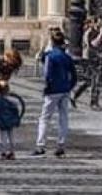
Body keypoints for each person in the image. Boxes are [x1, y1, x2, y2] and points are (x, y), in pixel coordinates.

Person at [33, 29, 77, 157]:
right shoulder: (67, 57)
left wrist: (47, 87)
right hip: (64, 90)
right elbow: (74, 75)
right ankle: (61, 145)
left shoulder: (50, 56)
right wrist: (70, 87)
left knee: (44, 118)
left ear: (52, 42)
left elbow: (47, 74)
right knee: (63, 118)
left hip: (53, 91)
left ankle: (40, 145)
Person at [72, 18, 102, 109]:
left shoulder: (95, 32)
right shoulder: (90, 32)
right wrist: (101, 34)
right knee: (95, 80)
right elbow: (93, 44)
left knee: (90, 81)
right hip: (90, 60)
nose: (101, 24)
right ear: (93, 23)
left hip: (96, 59)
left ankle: (75, 95)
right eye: (99, 22)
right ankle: (93, 103)